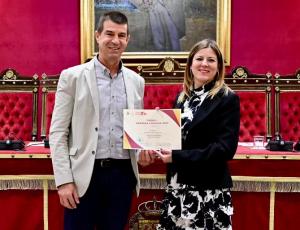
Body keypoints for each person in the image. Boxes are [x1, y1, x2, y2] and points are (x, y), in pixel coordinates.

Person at [50, 11, 145, 230]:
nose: (115, 40)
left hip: (122, 176)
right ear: (97, 36)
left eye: (121, 35)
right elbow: (58, 133)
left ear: (128, 39)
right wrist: (64, 181)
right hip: (83, 175)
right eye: (109, 34)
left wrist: (144, 152)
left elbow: (135, 133)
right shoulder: (72, 77)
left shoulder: (136, 82)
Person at [140, 39, 240, 229]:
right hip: (178, 187)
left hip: (208, 190)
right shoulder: (182, 98)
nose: (204, 64)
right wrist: (155, 136)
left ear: (218, 66)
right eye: (199, 58)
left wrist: (176, 157)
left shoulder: (228, 98)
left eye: (211, 60)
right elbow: (174, 140)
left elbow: (225, 150)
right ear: (190, 64)